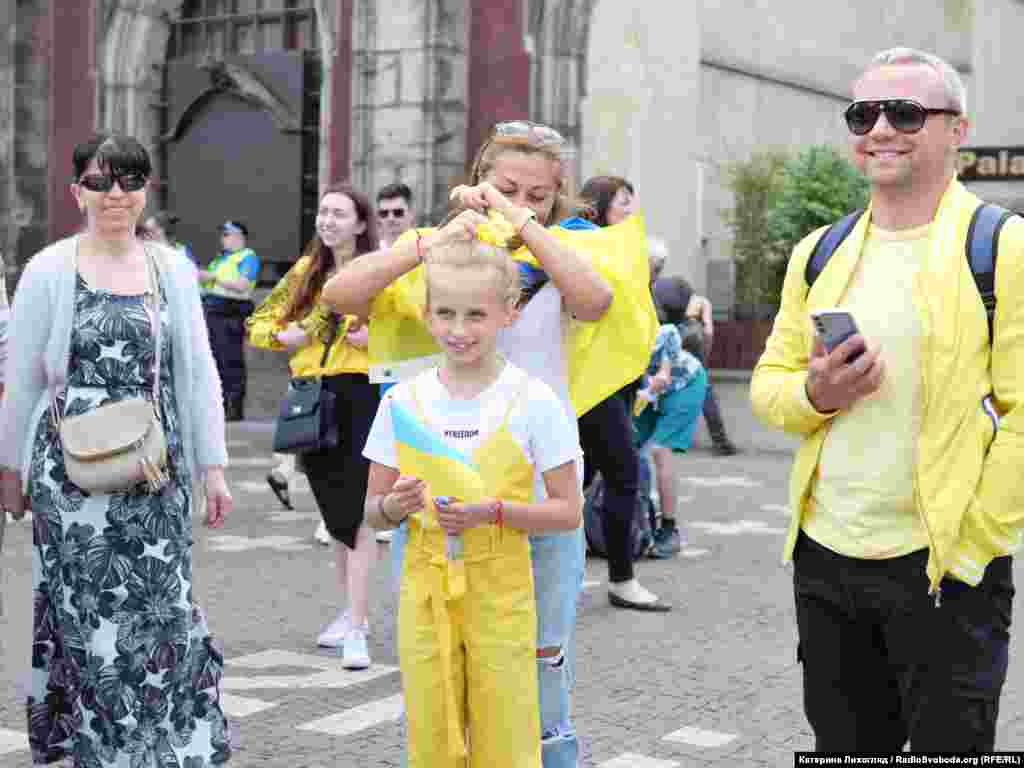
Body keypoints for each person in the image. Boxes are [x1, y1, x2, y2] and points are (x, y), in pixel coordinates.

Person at [323, 119, 656, 768]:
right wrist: (434, 240)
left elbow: (593, 301)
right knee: (445, 664)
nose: (523, 202)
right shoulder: (443, 251)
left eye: (539, 194)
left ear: (556, 197)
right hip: (442, 496)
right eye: (507, 188)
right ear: (475, 182)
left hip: (537, 490)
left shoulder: (564, 244)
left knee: (543, 659)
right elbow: (342, 295)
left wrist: (520, 223)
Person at [751, 48, 1024, 752]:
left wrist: (974, 546)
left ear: (956, 129)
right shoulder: (820, 250)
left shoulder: (1004, 246)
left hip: (945, 570)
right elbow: (768, 388)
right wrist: (816, 392)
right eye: (862, 114)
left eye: (904, 113)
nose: (880, 129)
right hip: (825, 559)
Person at [0, 133, 233, 765]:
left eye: (129, 181)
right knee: (88, 618)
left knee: (166, 614)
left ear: (145, 190)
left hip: (153, 471)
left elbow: (197, 371)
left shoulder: (172, 270)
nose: (115, 195)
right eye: (100, 182)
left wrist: (213, 468)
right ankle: (102, 750)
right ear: (77, 192)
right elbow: (20, 377)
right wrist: (9, 471)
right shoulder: (49, 269)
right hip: (68, 477)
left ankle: (163, 747)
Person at [362, 231, 582, 767]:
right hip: (425, 586)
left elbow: (568, 511)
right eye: (446, 314)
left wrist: (495, 513)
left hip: (501, 585)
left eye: (476, 315)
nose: (459, 331)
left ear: (509, 312)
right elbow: (371, 511)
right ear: (428, 313)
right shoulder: (402, 401)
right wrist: (397, 506)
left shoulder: (535, 401)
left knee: (505, 737)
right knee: (432, 738)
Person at [246, 182, 381, 668]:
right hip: (312, 397)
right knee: (335, 513)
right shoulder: (306, 272)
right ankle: (349, 612)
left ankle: (359, 626)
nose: (327, 222)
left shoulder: (378, 271)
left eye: (339, 214)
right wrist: (289, 335)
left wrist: (374, 337)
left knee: (361, 511)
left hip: (361, 391)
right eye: (323, 213)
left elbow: (412, 328)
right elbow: (258, 324)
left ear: (361, 224)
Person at [578, 174, 671, 610]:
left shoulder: (625, 252)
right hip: (590, 381)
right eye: (622, 204)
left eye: (633, 203)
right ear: (597, 207)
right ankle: (620, 578)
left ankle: (589, 571)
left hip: (618, 380)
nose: (631, 212)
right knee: (622, 474)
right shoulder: (585, 249)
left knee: (582, 476)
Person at [649, 240, 738, 456]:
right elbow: (706, 326)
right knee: (701, 385)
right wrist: (705, 347)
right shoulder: (683, 286)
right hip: (693, 333)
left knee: (658, 381)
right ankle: (721, 441)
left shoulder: (651, 289)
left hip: (668, 336)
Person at [633, 319, 708, 558]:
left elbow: (669, 331)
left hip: (686, 385)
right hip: (652, 393)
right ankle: (637, 517)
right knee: (625, 445)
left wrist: (664, 368)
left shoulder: (636, 330)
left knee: (659, 450)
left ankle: (669, 530)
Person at [199, 220, 260, 421]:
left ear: (240, 237)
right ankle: (220, 404)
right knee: (216, 358)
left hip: (231, 310)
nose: (223, 239)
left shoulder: (248, 257)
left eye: (228, 234)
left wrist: (212, 277)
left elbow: (242, 285)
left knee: (230, 358)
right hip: (213, 309)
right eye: (223, 234)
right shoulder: (220, 259)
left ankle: (234, 406)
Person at [376, 182, 416, 248]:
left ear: (411, 214)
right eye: (384, 213)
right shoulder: (371, 254)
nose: (390, 218)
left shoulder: (426, 252)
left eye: (398, 212)